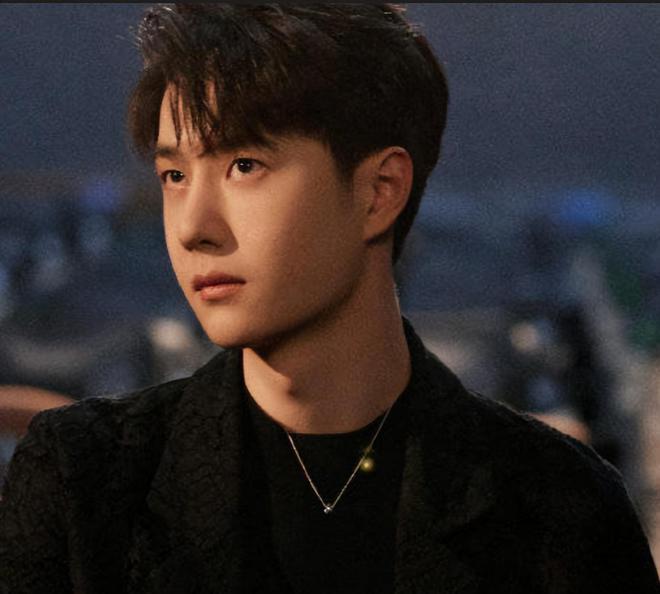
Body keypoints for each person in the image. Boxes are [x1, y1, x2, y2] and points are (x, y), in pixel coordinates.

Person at [1, 4, 658, 593]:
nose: (193, 226)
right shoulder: (84, 481)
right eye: (174, 175)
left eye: (244, 166)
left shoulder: (557, 504)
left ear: (379, 191)